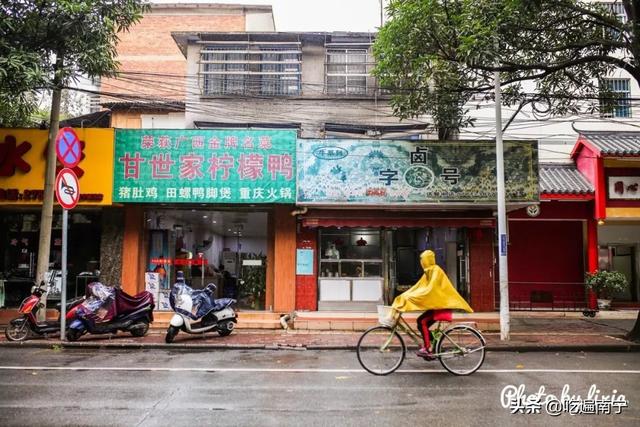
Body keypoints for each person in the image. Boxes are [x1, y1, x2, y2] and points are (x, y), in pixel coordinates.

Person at [391, 250, 472, 360]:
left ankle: (428, 349)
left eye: (423, 259)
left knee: (422, 321)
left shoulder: (436, 271)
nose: (421, 262)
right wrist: (404, 296)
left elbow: (430, 290)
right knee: (420, 322)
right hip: (437, 305)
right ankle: (433, 343)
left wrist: (411, 298)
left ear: (427, 260)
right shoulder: (428, 272)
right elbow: (418, 287)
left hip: (441, 305)